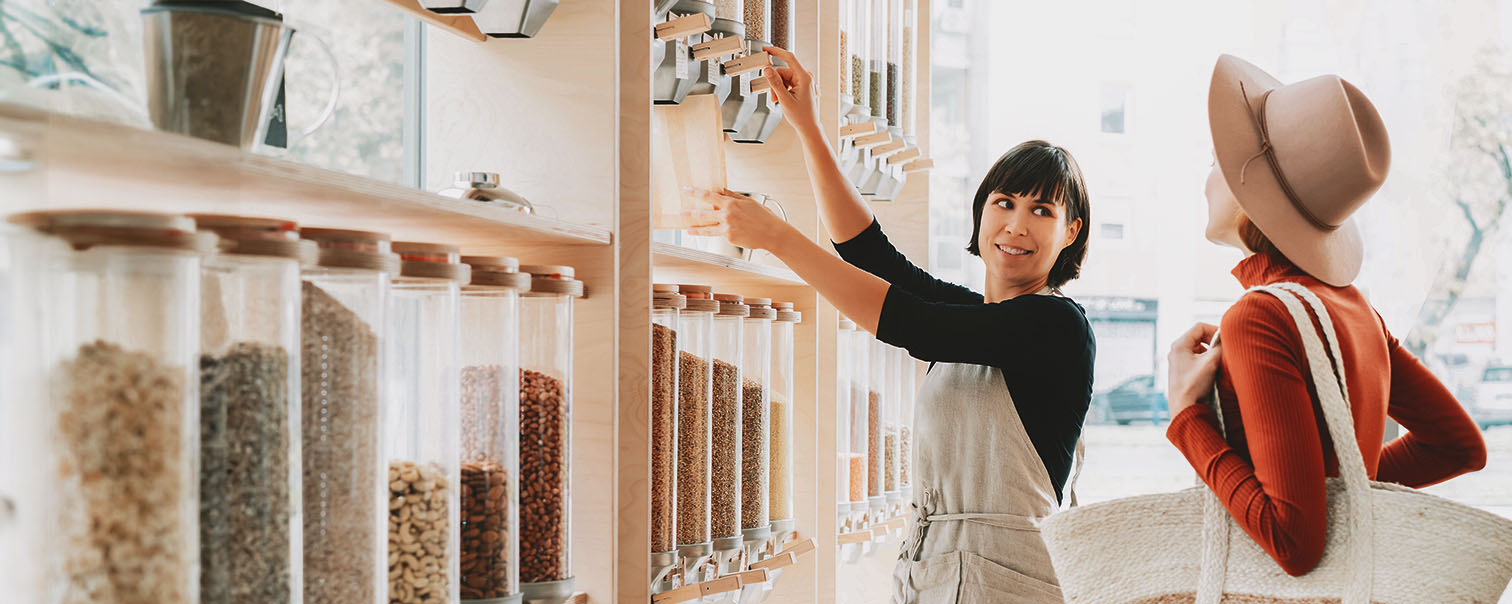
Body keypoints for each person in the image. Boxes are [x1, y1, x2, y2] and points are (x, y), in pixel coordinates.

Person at [682, 45, 1095, 603]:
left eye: (1042, 211)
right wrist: (808, 126)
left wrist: (776, 237)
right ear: (982, 211)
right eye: (1004, 203)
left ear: (1070, 233)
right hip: (931, 572)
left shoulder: (1056, 326)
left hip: (1008, 582)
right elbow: (871, 257)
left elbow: (909, 323)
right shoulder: (978, 317)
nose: (1016, 225)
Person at [1165, 54, 1488, 577]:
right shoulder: (1358, 310)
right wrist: (1337, 493)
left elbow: (1294, 544)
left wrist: (1185, 417)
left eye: (1215, 163)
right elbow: (1459, 447)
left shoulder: (1260, 316)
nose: (1206, 179)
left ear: (1251, 197)